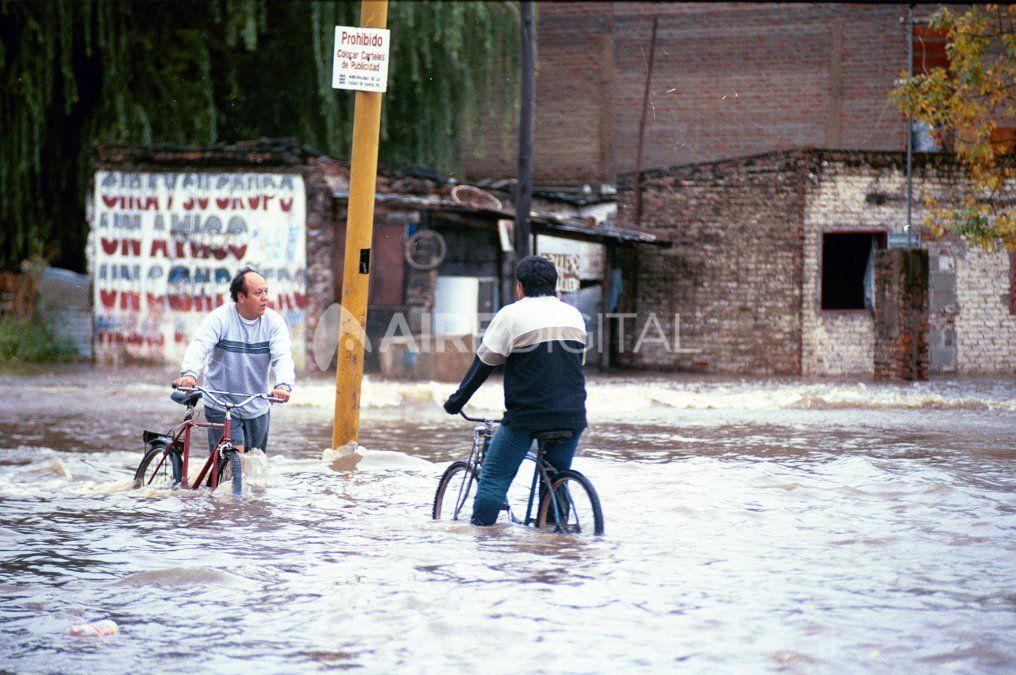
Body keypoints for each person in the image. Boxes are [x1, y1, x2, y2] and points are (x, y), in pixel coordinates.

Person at [443, 255, 588, 526]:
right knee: (556, 478)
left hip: (527, 418)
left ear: (519, 286)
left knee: (493, 479)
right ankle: (558, 539)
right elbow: (577, 365)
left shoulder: (511, 315)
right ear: (555, 285)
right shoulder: (574, 315)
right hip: (573, 415)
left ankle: (483, 543)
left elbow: (483, 364)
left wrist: (456, 401)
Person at [172, 267, 294, 455]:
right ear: (241, 297)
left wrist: (284, 385)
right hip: (221, 403)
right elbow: (199, 346)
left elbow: (282, 356)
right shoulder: (220, 318)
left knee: (254, 467)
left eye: (266, 292)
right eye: (258, 293)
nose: (264, 298)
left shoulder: (274, 323)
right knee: (233, 459)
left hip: (257, 406)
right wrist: (189, 374)